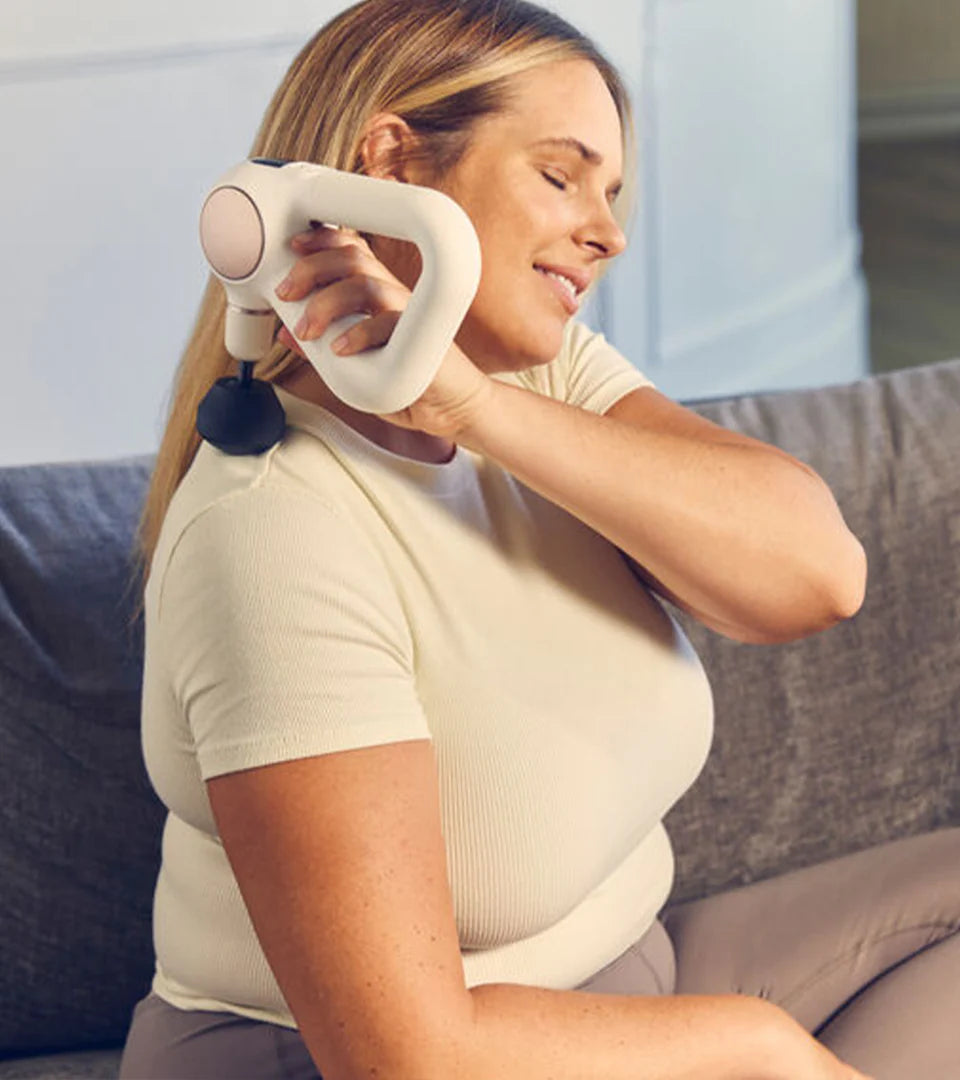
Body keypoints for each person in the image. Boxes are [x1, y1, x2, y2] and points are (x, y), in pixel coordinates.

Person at [119, 1, 958, 1077]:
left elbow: (818, 574)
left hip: (626, 984)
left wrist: (472, 409)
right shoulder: (273, 533)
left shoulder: (529, 376)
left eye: (612, 196)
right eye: (562, 178)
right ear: (392, 165)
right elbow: (410, 1056)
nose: (607, 232)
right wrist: (760, 1045)